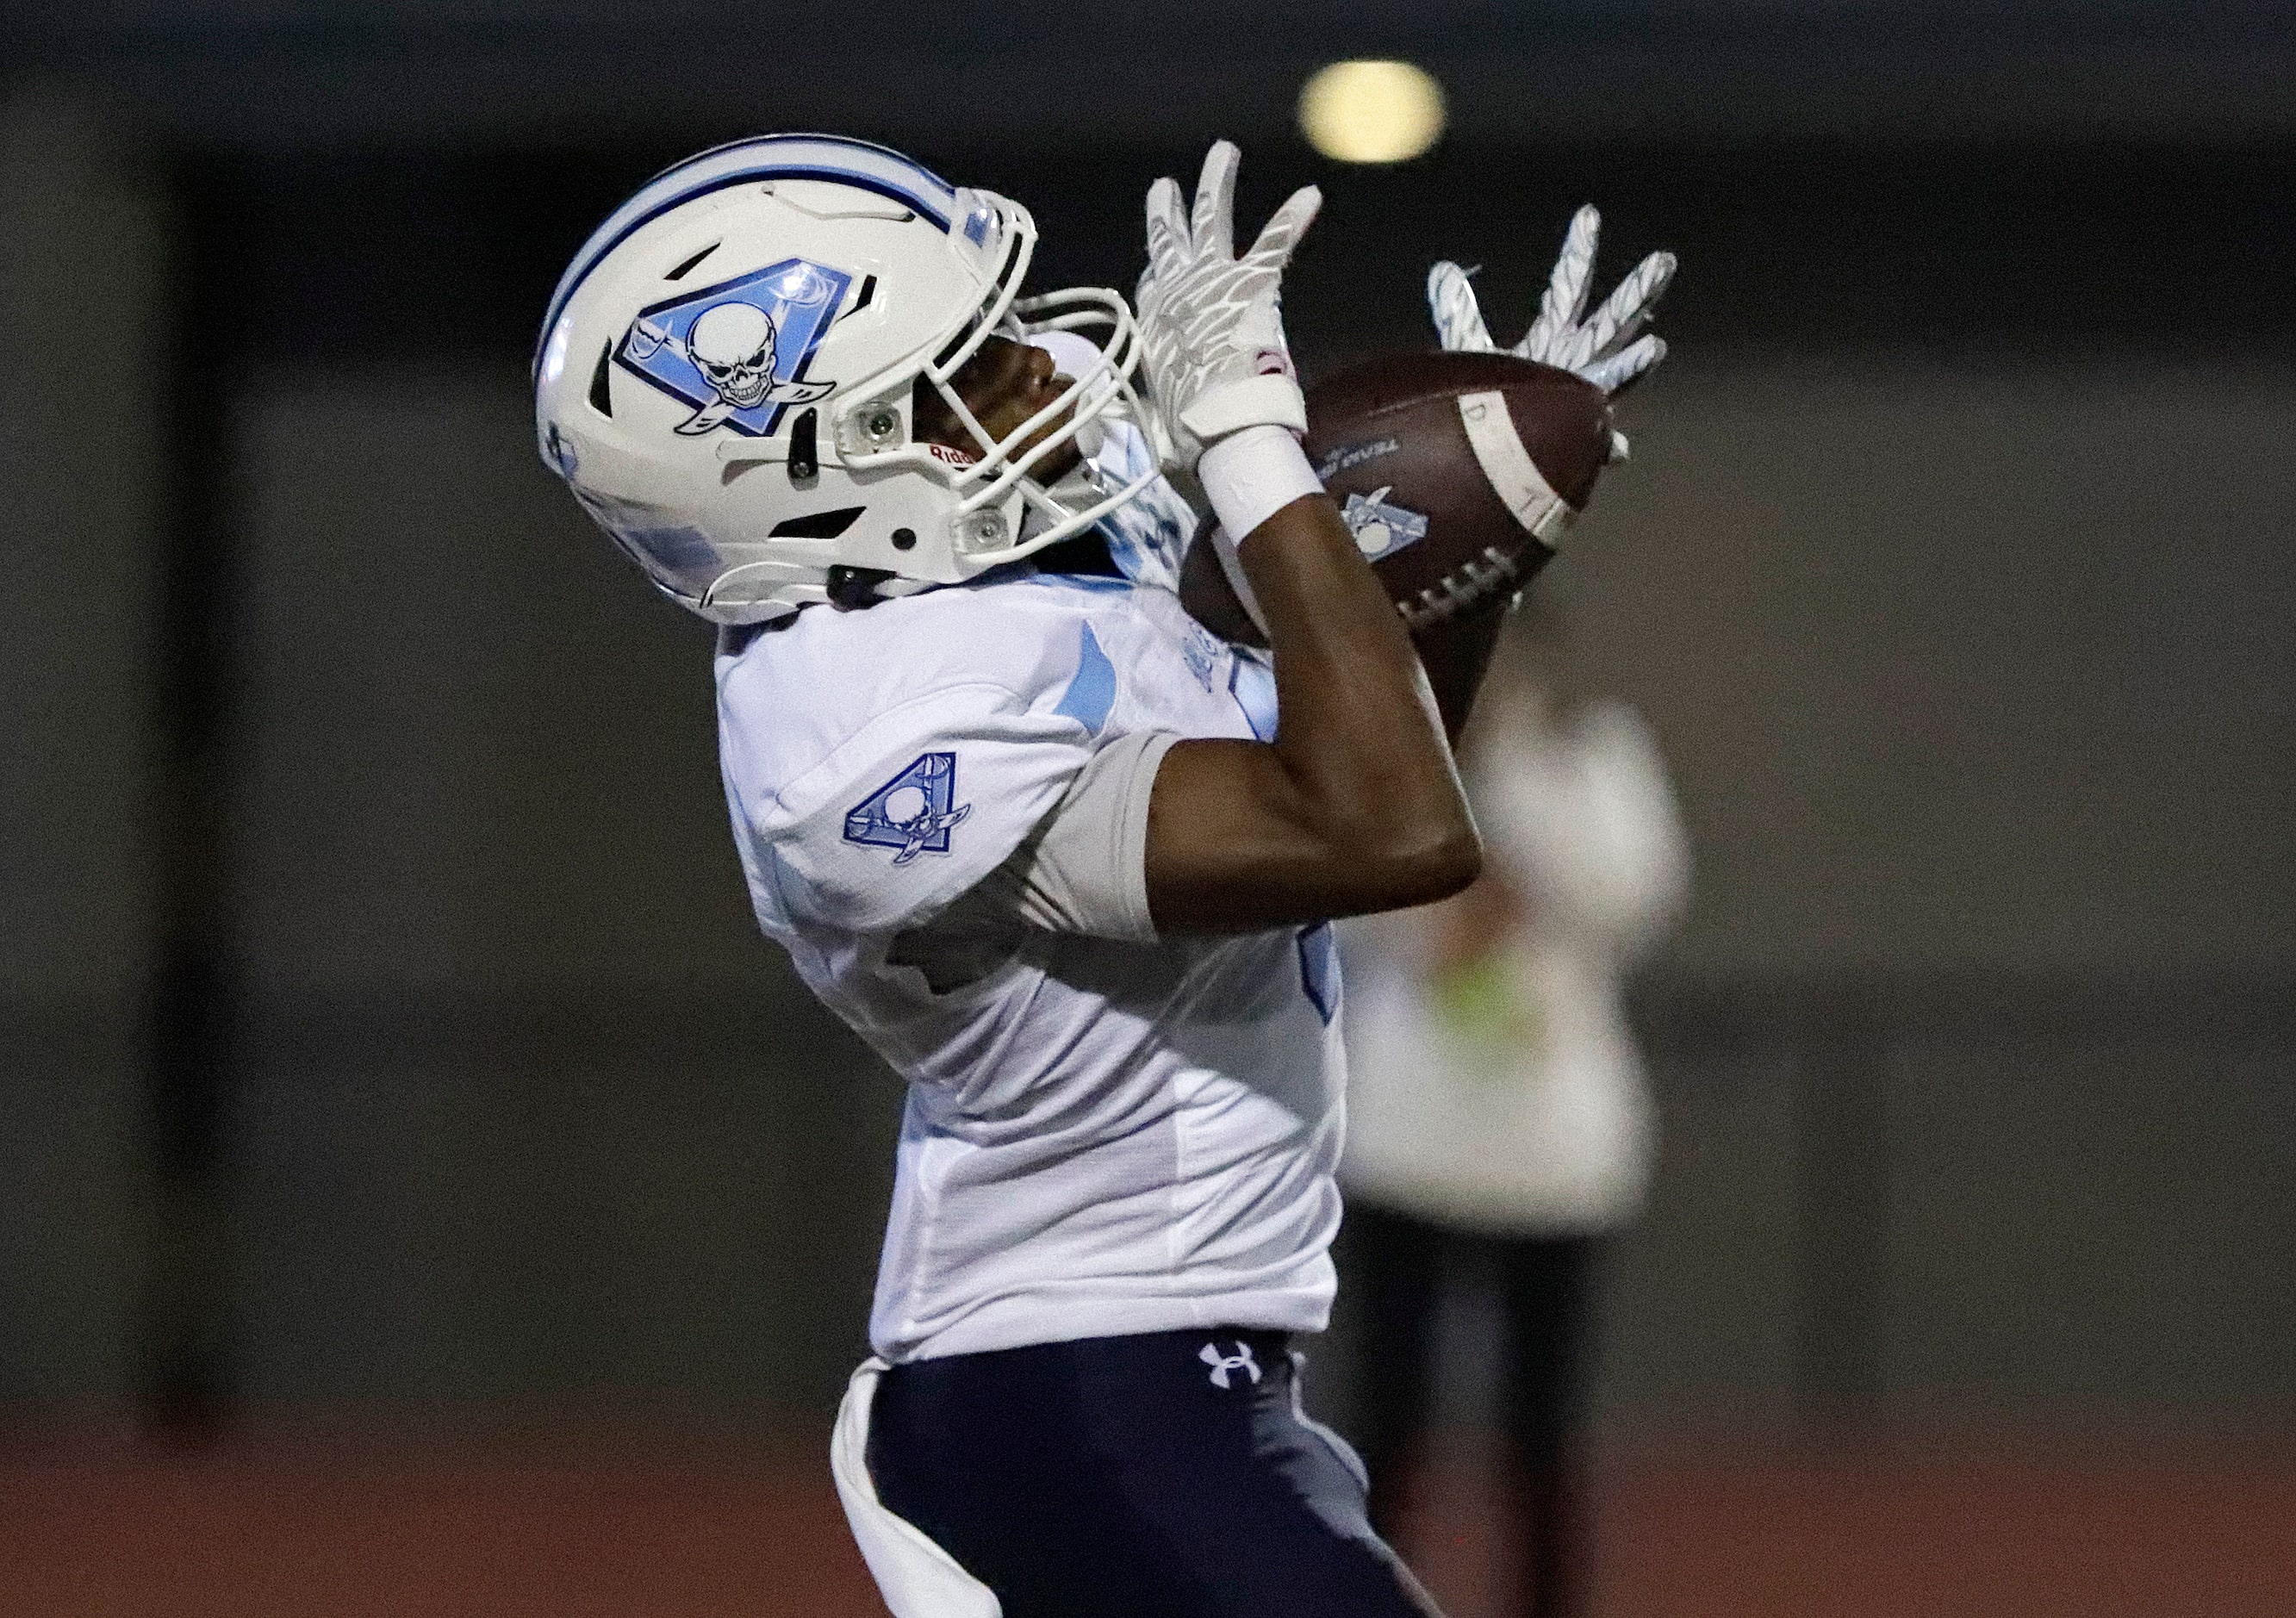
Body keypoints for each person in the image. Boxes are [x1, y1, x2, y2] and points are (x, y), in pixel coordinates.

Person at [532, 132, 1672, 1618]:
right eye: (963, 377)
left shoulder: (1040, 555)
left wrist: (1470, 542)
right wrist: (1264, 456)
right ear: (804, 481)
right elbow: (1377, 829)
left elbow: (1361, 805)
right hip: (1066, 1385)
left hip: (1185, 1368)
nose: (1040, 372)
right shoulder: (857, 738)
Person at [1339, 601, 1690, 1618]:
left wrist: (1518, 772)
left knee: (1540, 1434)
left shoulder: (1595, 756)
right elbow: (1350, 907)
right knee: (1386, 1424)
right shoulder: (1391, 754)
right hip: (1409, 1138)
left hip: (1555, 1148)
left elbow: (1628, 901)